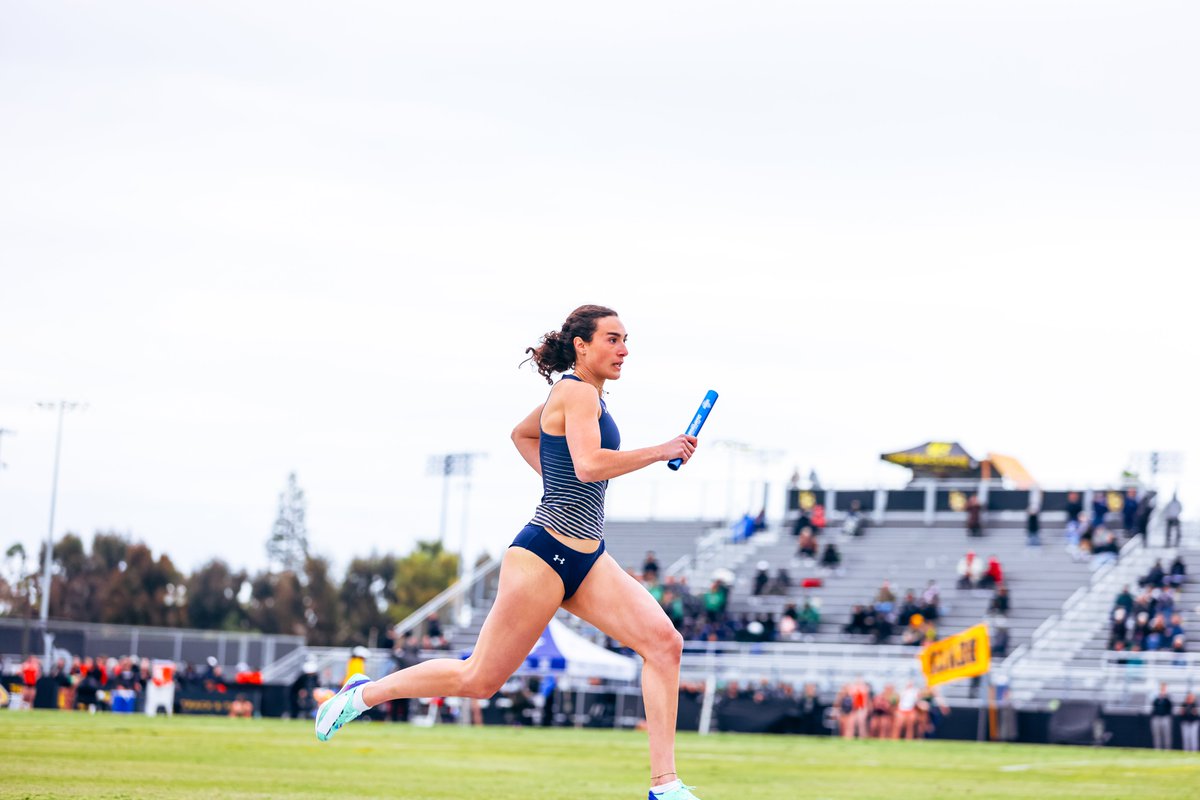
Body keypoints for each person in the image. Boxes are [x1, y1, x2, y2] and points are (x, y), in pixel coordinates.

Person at [314, 305, 703, 800]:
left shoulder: (589, 398)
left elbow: (525, 434)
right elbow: (587, 465)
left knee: (664, 644)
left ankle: (664, 786)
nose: (624, 349)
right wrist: (660, 449)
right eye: (613, 339)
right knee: (478, 679)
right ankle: (362, 694)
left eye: (626, 340)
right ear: (582, 346)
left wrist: (557, 479)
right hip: (543, 555)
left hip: (587, 558)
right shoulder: (575, 391)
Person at [1151, 683, 1174, 750]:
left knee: (1167, 734)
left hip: (1165, 717)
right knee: (1157, 734)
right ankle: (1157, 748)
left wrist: (1165, 697)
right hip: (1157, 717)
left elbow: (1170, 705)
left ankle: (1167, 749)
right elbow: (1153, 704)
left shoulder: (1168, 696)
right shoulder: (1156, 696)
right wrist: (1159, 697)